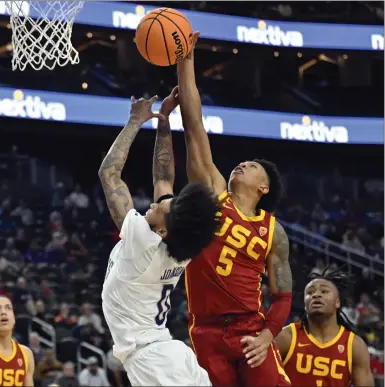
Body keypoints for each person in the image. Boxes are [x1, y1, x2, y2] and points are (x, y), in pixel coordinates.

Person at [177, 32, 292, 387]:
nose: (241, 165)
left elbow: (283, 295)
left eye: (251, 166)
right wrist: (186, 59)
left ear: (264, 187)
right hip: (206, 329)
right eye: (240, 162)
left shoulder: (274, 231)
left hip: (250, 328)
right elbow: (194, 124)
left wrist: (267, 336)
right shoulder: (214, 194)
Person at [99, 89, 219, 386]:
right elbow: (163, 179)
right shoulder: (177, 242)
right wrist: (163, 120)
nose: (153, 203)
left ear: (162, 231)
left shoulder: (144, 244)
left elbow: (109, 175)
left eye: (159, 206)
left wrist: (135, 121)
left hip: (154, 361)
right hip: (169, 353)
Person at [275, 268, 375, 387]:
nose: (316, 295)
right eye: (310, 293)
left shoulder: (354, 346)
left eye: (324, 291)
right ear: (305, 303)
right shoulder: (285, 337)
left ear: (337, 302)